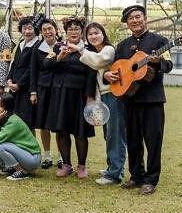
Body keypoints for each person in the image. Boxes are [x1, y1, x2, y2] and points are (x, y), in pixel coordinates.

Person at [104, 5, 173, 195]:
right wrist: (108, 75)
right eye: (130, 19)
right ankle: (136, 176)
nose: (135, 21)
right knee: (133, 140)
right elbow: (115, 68)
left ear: (145, 18)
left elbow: (168, 65)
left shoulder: (160, 41)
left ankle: (151, 179)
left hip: (152, 100)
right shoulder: (123, 45)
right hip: (129, 99)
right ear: (127, 23)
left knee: (153, 141)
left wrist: (158, 61)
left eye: (138, 17)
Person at [44, 17, 97, 179]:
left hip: (79, 95)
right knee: (62, 130)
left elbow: (91, 74)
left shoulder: (88, 49)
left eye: (77, 29)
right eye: (70, 29)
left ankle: (82, 166)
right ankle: (66, 164)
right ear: (66, 32)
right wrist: (58, 58)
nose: (73, 32)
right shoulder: (58, 47)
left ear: (82, 32)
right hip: (60, 95)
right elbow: (46, 65)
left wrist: (90, 97)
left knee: (80, 132)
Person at [80, 21, 125, 186]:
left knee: (115, 134)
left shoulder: (108, 50)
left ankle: (115, 174)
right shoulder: (95, 52)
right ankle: (112, 167)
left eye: (96, 33)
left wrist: (80, 50)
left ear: (103, 34)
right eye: (90, 34)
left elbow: (98, 61)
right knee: (109, 134)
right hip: (105, 97)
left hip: (114, 96)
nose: (93, 36)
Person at [30, 17, 61, 169]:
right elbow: (34, 71)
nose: (48, 32)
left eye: (50, 29)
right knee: (43, 123)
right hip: (42, 88)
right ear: (41, 33)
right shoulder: (38, 47)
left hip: (59, 88)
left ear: (56, 30)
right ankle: (47, 155)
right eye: (44, 30)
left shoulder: (63, 46)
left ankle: (63, 156)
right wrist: (33, 92)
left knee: (59, 122)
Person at [6, 16, 39, 130]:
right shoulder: (21, 43)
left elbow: (32, 68)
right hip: (14, 88)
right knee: (12, 119)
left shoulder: (37, 45)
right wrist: (9, 80)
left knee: (26, 123)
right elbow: (14, 63)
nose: (27, 31)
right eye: (24, 28)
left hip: (27, 89)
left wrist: (18, 84)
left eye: (30, 28)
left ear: (36, 29)